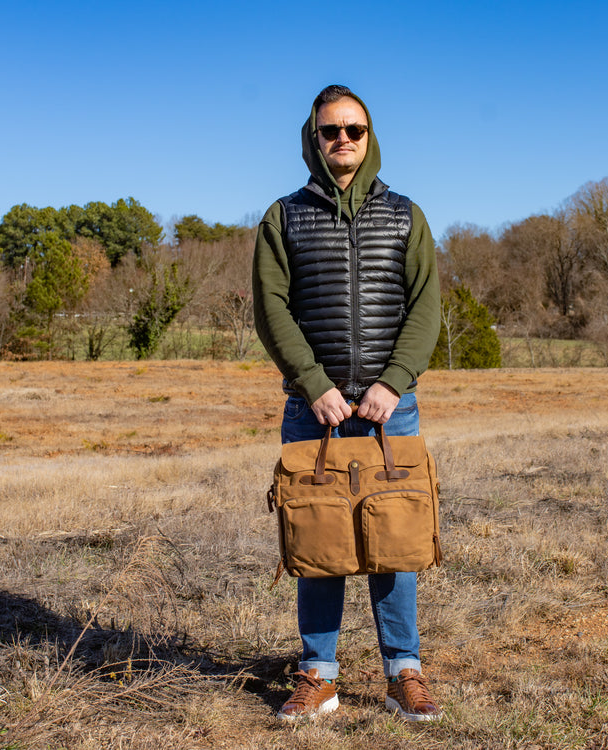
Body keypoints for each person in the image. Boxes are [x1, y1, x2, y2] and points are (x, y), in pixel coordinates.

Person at [252, 84, 442, 722]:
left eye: (354, 130)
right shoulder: (283, 217)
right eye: (331, 130)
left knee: (397, 546)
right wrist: (314, 383)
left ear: (370, 135)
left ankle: (403, 674)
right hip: (315, 412)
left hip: (394, 410)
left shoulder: (406, 216)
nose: (343, 140)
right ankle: (319, 677)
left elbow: (426, 309)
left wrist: (393, 382)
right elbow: (271, 309)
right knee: (318, 543)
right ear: (313, 136)